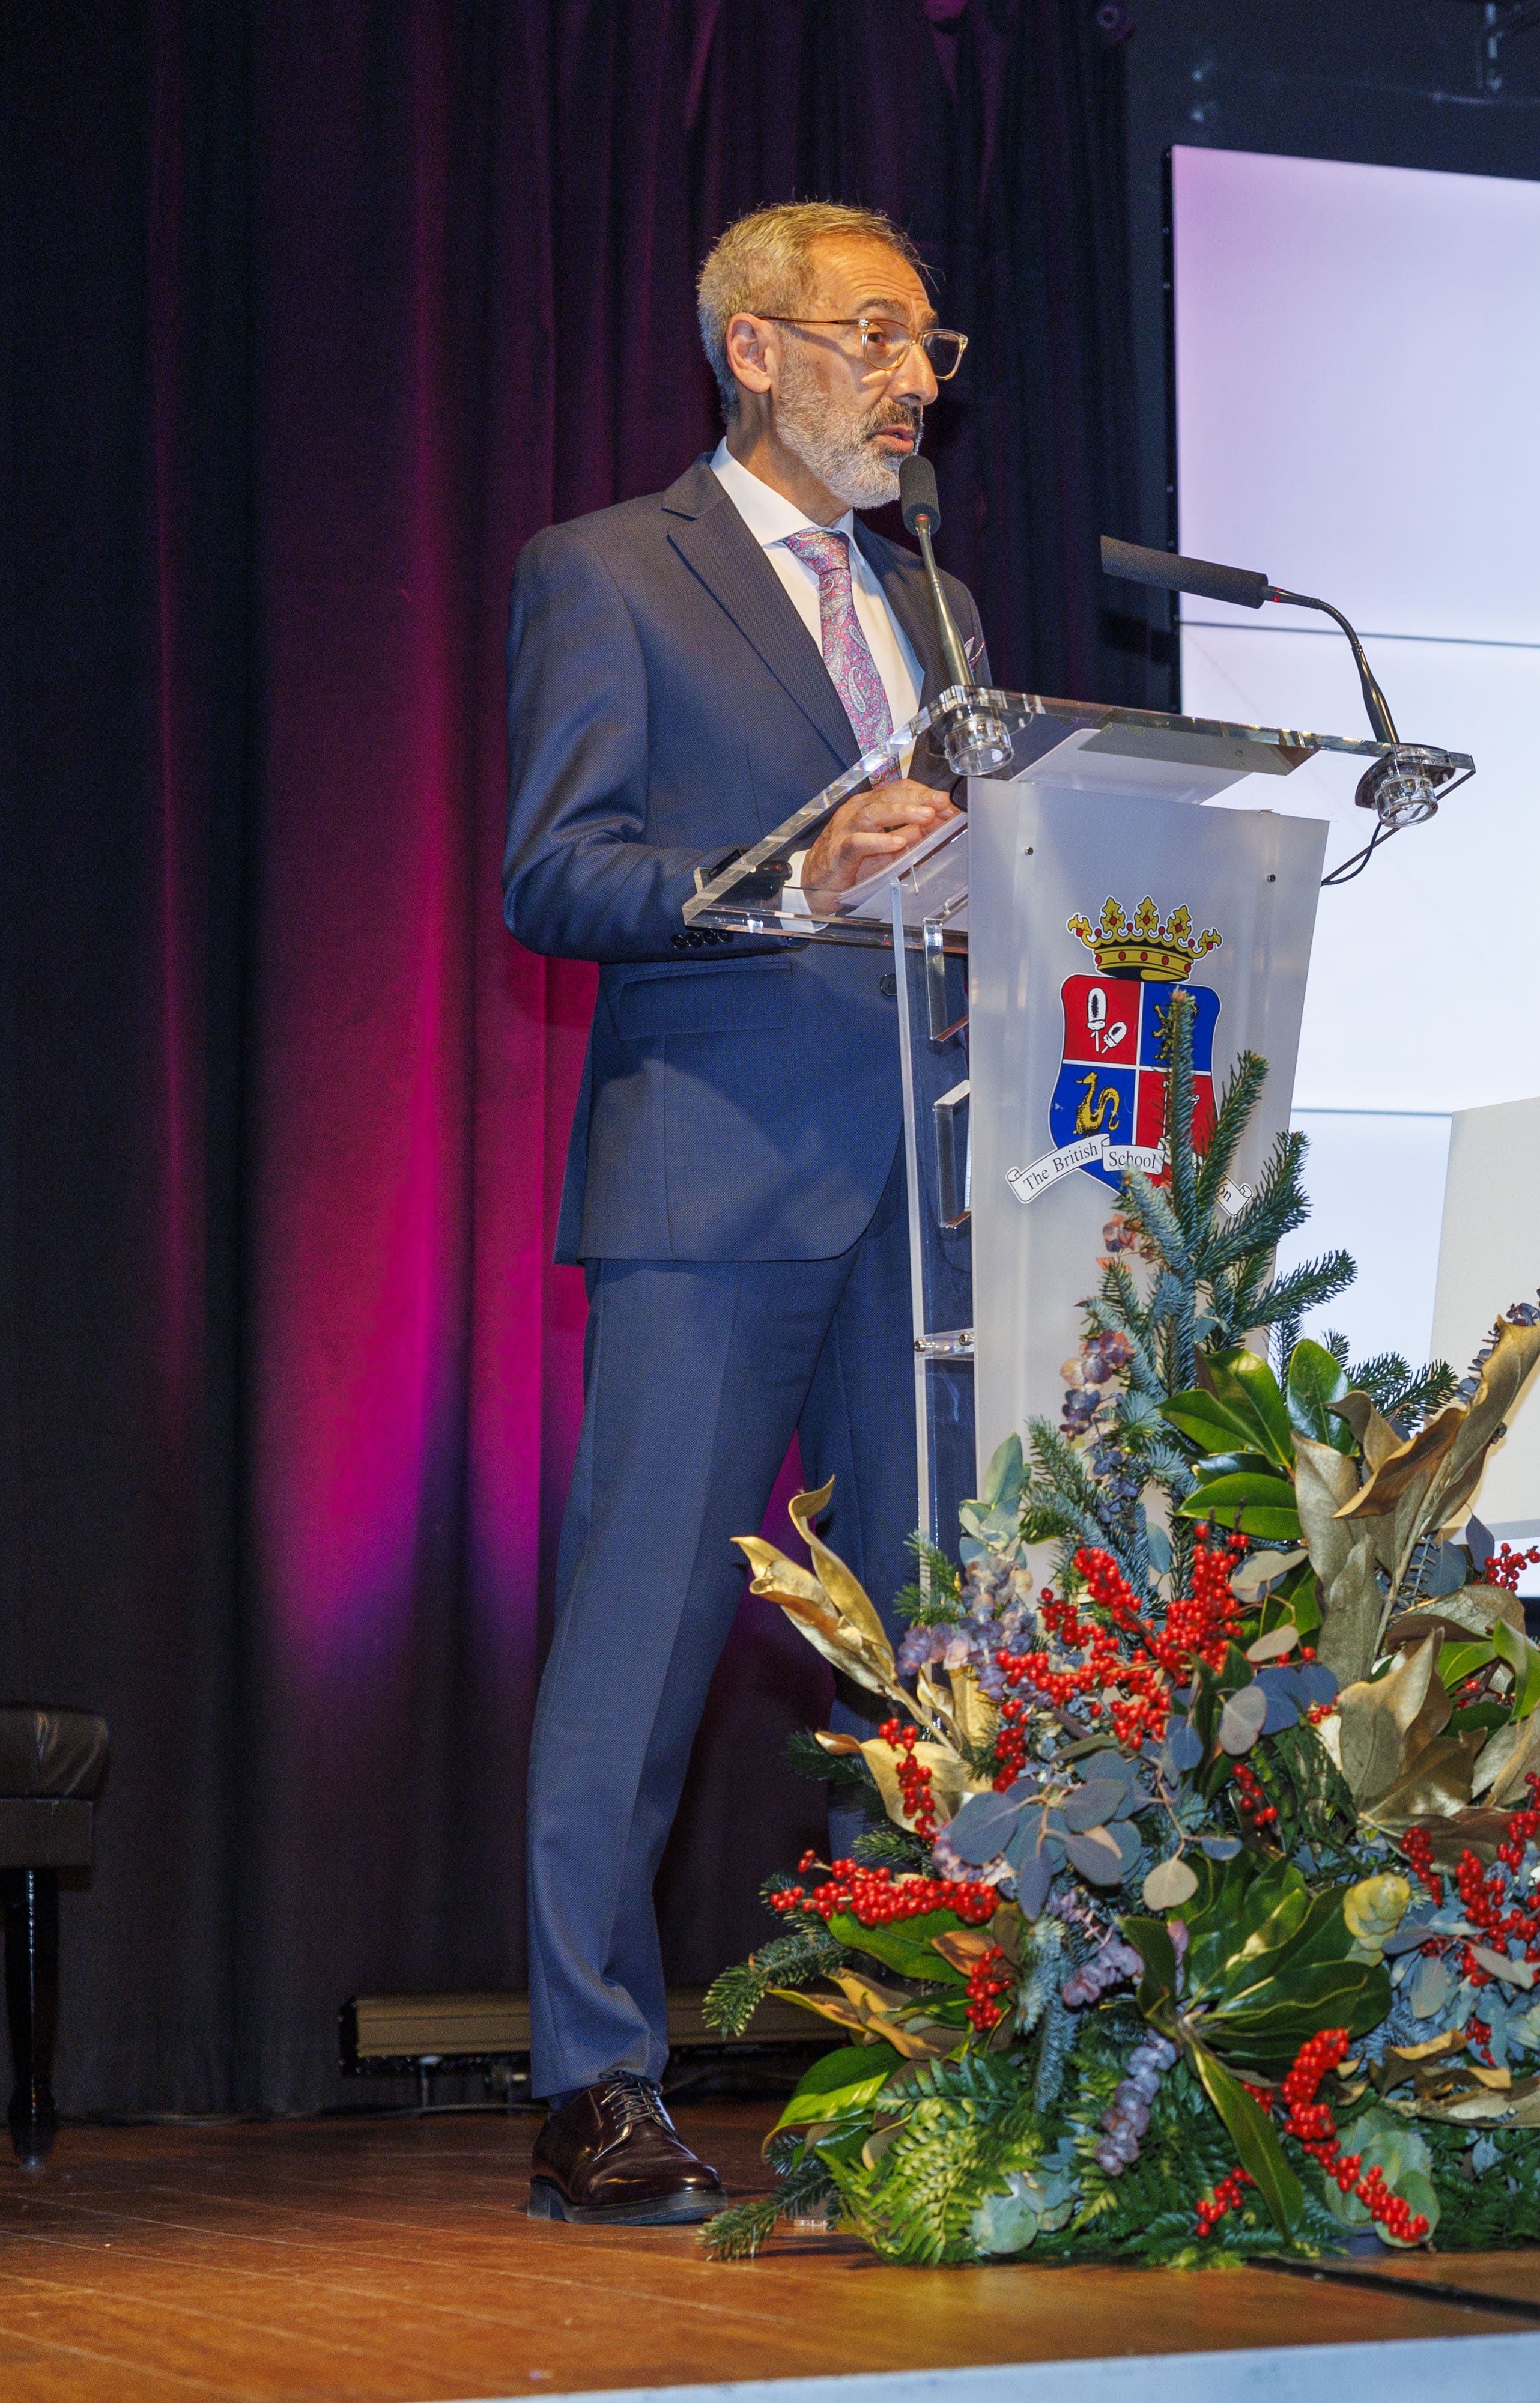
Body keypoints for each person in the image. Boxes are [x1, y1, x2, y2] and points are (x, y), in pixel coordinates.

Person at [502, 199, 980, 2225]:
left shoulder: (938, 609)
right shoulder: (612, 572)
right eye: (878, 333)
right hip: (716, 1180)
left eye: (933, 344)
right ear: (756, 352)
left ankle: (970, 2055)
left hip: (936, 1188)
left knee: (950, 1655)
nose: (914, 374)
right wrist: (794, 871)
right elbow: (559, 871)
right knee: (641, 1650)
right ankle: (593, 2086)